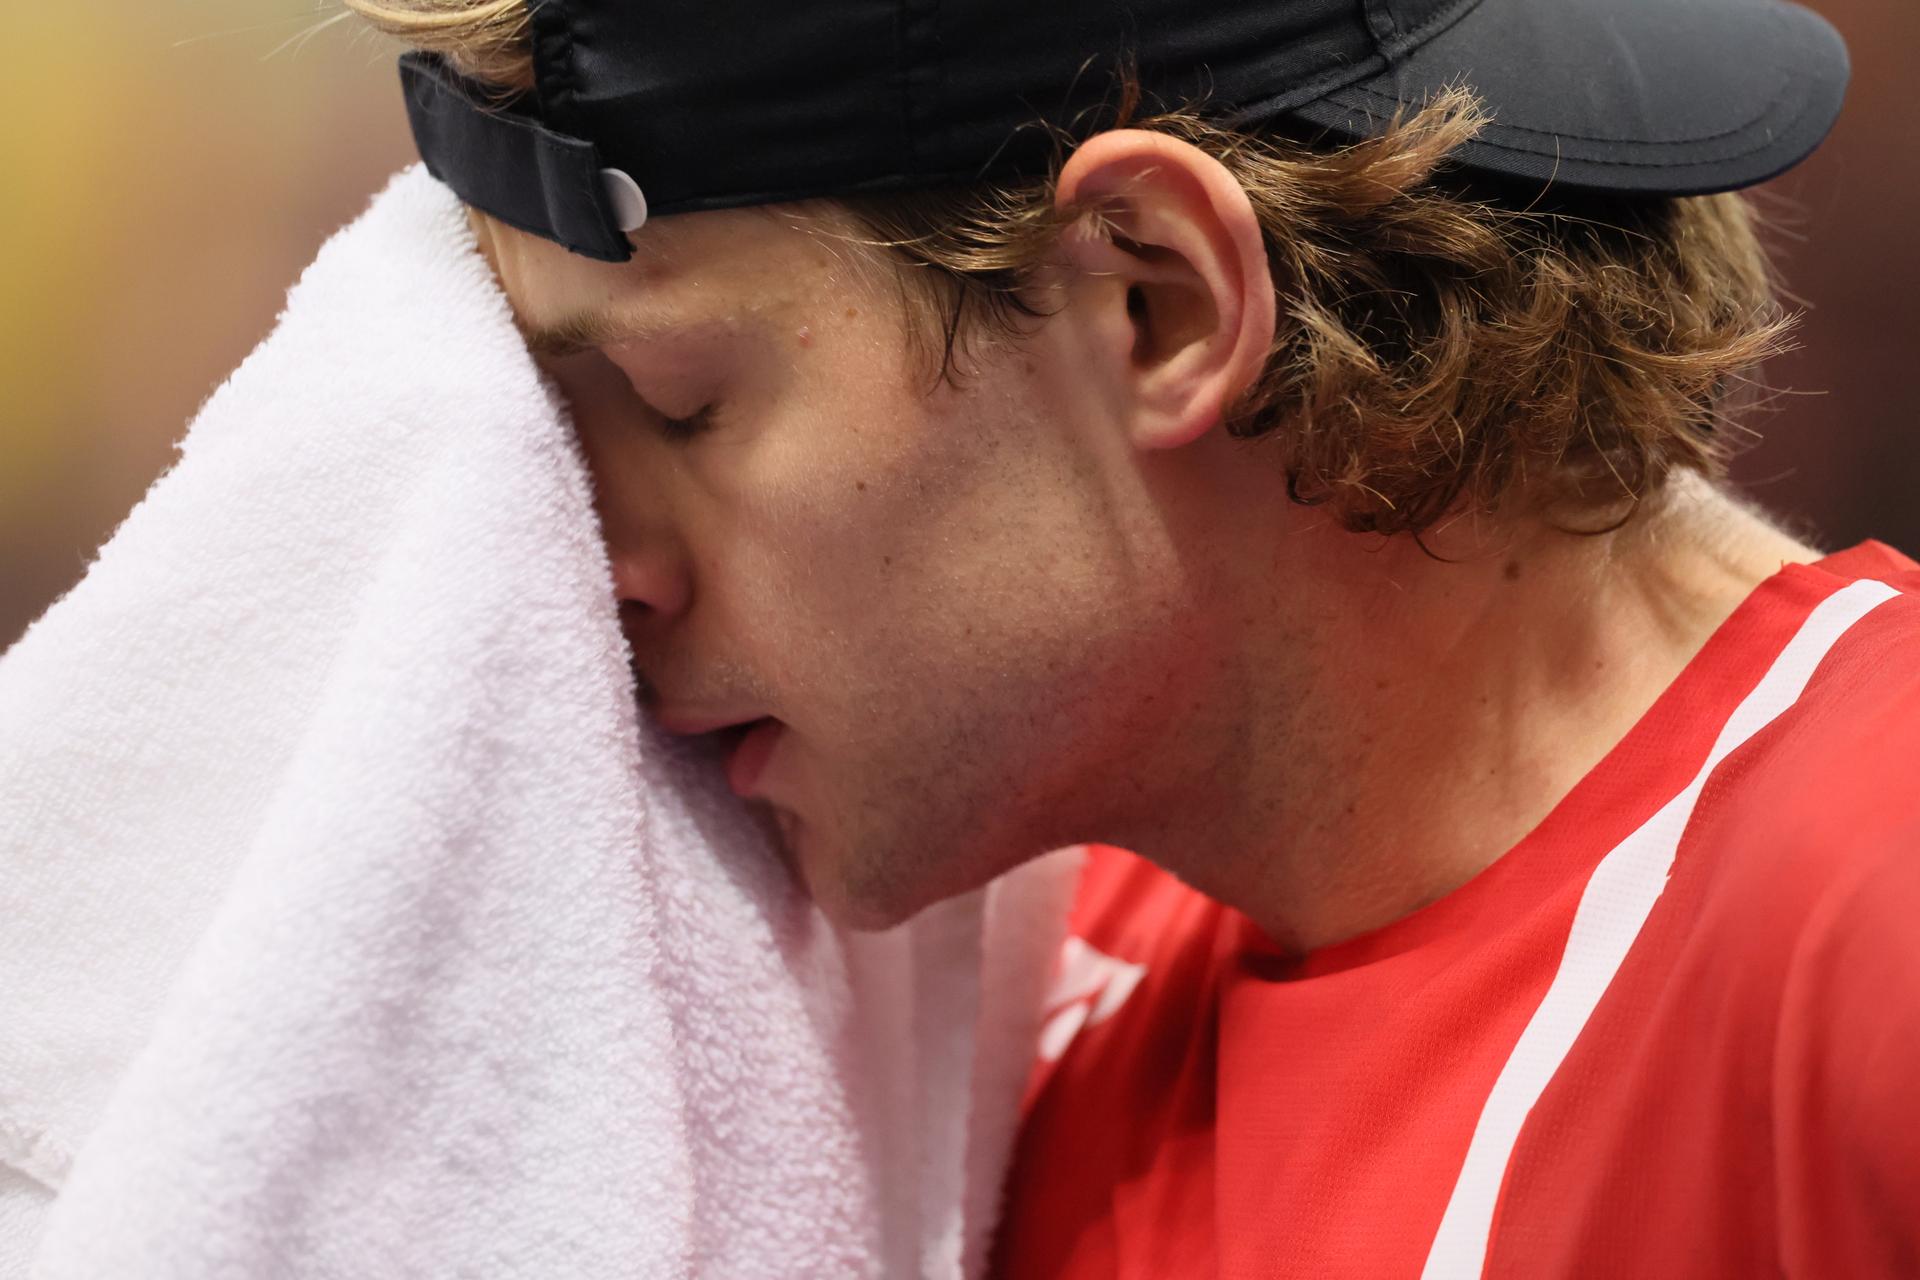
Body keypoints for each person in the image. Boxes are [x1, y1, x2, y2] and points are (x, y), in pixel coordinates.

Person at [349, 0, 1919, 1273]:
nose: (607, 568)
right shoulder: (978, 1031)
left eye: (681, 404)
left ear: (1152, 304)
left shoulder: (1868, 910)